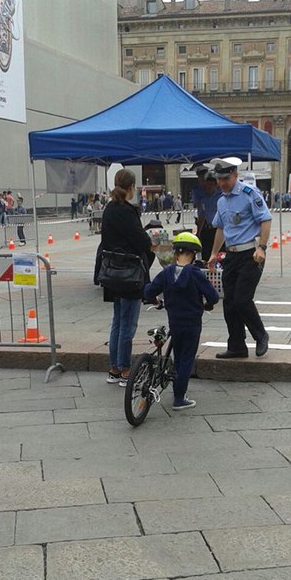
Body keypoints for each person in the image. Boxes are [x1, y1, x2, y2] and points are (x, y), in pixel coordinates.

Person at [144, 232, 219, 410]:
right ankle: (179, 398)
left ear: (176, 253)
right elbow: (213, 297)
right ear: (193, 254)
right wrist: (207, 305)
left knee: (178, 355)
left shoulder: (166, 273)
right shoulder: (195, 274)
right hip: (192, 323)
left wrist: (156, 301)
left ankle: (175, 384)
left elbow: (148, 291)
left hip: (175, 322)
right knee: (187, 359)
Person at [207, 157, 271, 359]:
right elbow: (221, 228)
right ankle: (237, 346)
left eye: (226, 179)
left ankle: (261, 335)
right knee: (229, 303)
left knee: (242, 299)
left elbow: (265, 219)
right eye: (219, 179)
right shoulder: (221, 201)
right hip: (231, 255)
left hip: (251, 254)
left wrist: (262, 247)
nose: (222, 183)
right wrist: (214, 253)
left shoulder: (249, 194)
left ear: (235, 175)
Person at [100, 168, 153, 386]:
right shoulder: (127, 211)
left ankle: (114, 368)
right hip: (129, 273)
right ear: (132, 187)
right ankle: (125, 370)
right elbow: (141, 241)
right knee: (128, 324)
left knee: (117, 322)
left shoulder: (109, 209)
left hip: (112, 271)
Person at [196, 170, 224, 262]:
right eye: (207, 185)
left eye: (211, 185)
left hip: (218, 229)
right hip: (207, 229)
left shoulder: (221, 198)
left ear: (216, 185)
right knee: (206, 254)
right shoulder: (204, 199)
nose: (209, 187)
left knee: (220, 255)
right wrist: (198, 232)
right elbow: (202, 216)